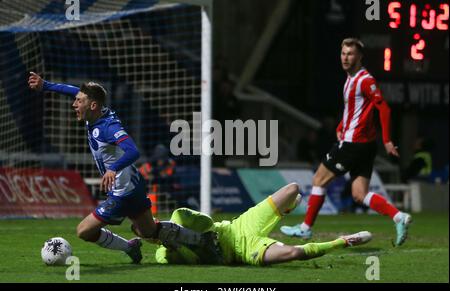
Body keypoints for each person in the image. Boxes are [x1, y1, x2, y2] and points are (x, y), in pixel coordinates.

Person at [28, 72, 217, 264]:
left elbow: (133, 151)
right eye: (76, 100)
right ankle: (202, 240)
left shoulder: (107, 128)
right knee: (148, 230)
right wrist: (45, 85)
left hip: (122, 192)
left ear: (92, 105)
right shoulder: (95, 111)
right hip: (133, 183)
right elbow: (72, 91)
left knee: (84, 231)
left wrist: (113, 169)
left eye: (79, 101)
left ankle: (129, 247)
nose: (74, 104)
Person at [280, 38, 412, 246]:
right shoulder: (350, 79)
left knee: (318, 180)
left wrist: (387, 140)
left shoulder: (364, 80)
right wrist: (341, 125)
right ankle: (399, 217)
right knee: (360, 194)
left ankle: (305, 229)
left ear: (360, 57)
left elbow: (384, 108)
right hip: (364, 145)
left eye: (350, 54)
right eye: (343, 53)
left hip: (354, 144)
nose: (346, 58)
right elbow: (355, 110)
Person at [154, 183, 372, 266]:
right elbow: (180, 257)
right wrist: (174, 245)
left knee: (293, 189)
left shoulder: (179, 217)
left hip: (238, 227)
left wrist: (176, 228)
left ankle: (283, 210)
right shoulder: (163, 256)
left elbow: (205, 222)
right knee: (293, 254)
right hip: (243, 252)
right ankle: (342, 242)